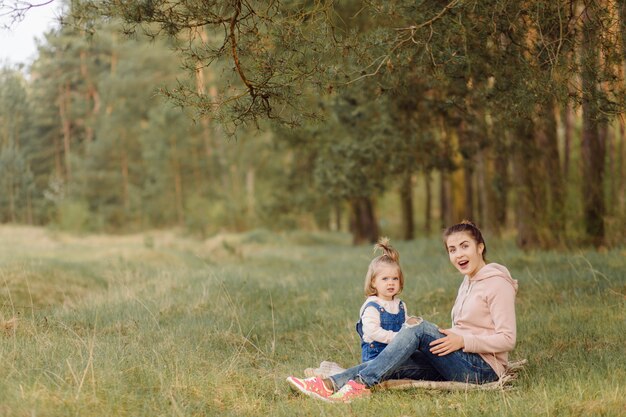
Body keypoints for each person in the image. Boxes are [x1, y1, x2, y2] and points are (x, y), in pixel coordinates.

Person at [286, 220, 518, 403]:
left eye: (464, 246)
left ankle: (358, 386)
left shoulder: (497, 283)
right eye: (452, 249)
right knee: (395, 361)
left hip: (482, 369)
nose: (458, 255)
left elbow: (507, 339)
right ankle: (328, 385)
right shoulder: (469, 281)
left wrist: (463, 341)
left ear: (480, 247)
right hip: (460, 358)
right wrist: (453, 338)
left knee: (417, 326)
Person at [355, 237, 410, 363]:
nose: (390, 283)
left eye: (395, 279)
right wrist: (396, 338)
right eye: (385, 279)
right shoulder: (372, 306)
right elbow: (372, 331)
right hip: (375, 356)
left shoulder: (400, 305)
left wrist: (412, 326)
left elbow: (406, 326)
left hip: (396, 353)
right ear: (374, 282)